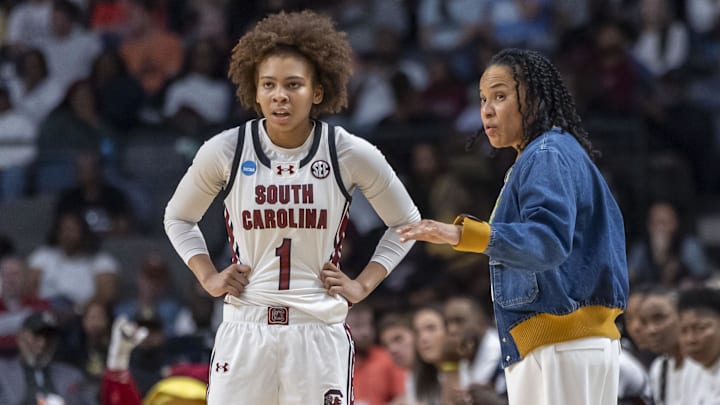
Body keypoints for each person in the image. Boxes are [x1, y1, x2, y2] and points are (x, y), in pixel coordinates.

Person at [163, 10, 421, 404]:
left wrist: (363, 284)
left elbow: (407, 223)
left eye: (293, 84)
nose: (279, 95)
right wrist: (207, 277)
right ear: (256, 90)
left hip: (316, 330)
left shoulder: (347, 151)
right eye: (268, 84)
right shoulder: (226, 149)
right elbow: (178, 218)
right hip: (245, 328)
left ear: (317, 91)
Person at [397, 48, 629, 405]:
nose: (487, 110)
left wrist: (459, 234)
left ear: (534, 98)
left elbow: (546, 240)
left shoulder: (545, 153)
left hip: (560, 345)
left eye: (500, 96)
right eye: (483, 99)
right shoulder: (552, 152)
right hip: (573, 345)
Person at [0, 310, 90, 404]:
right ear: (21, 337)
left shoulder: (72, 376)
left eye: (49, 336)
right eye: (37, 335)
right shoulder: (3, 373)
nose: (43, 343)